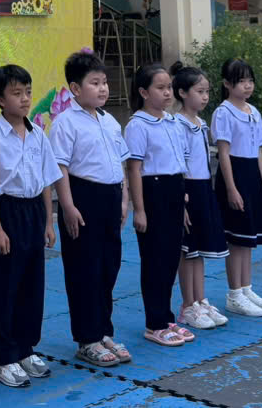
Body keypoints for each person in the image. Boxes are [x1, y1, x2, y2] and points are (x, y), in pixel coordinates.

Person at [0, 64, 59, 388]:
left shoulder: (38, 134)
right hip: (7, 213)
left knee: (31, 284)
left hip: (33, 211)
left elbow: (46, 179)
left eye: (28, 92)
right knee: (4, 287)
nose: (25, 99)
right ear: (0, 99)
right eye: (16, 93)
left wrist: (48, 222)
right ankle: (3, 357)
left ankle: (25, 348)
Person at [51, 50, 132, 368]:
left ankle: (104, 332)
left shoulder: (109, 121)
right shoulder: (65, 123)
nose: (102, 89)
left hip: (111, 198)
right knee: (84, 270)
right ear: (75, 88)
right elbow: (60, 168)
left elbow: (121, 163)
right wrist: (68, 206)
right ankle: (87, 339)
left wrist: (124, 199)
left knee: (109, 267)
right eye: (94, 83)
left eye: (105, 82)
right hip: (82, 199)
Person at [125, 64, 194, 347]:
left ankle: (166, 318)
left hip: (174, 189)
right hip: (152, 191)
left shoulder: (173, 122)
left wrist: (183, 198)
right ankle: (154, 323)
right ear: (144, 92)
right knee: (154, 260)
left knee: (170, 258)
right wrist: (139, 209)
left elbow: (179, 163)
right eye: (160, 88)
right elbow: (134, 169)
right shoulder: (137, 125)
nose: (167, 93)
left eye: (169, 87)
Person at [212, 58, 262, 317]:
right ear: (227, 84)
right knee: (236, 238)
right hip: (235, 174)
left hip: (252, 175)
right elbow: (224, 154)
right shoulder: (223, 113)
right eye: (241, 81)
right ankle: (234, 293)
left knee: (249, 238)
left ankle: (247, 288)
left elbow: (258, 151)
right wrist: (231, 188)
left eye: (250, 80)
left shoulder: (254, 112)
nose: (247, 86)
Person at [171, 62, 229, 331]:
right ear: (182, 93)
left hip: (204, 187)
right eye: (199, 91)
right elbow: (179, 163)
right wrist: (182, 197)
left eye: (207, 92)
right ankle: (187, 306)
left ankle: (200, 299)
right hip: (188, 190)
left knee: (200, 250)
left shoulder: (201, 123)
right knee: (188, 250)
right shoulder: (177, 124)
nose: (205, 97)